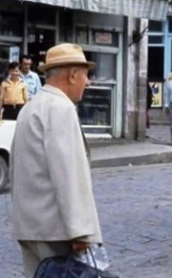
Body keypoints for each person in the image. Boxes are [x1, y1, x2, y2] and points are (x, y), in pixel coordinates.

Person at [10, 43, 103, 278]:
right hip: (56, 229)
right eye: (86, 75)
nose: (88, 82)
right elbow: (67, 173)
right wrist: (80, 231)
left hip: (30, 225)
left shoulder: (31, 108)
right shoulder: (61, 108)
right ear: (72, 75)